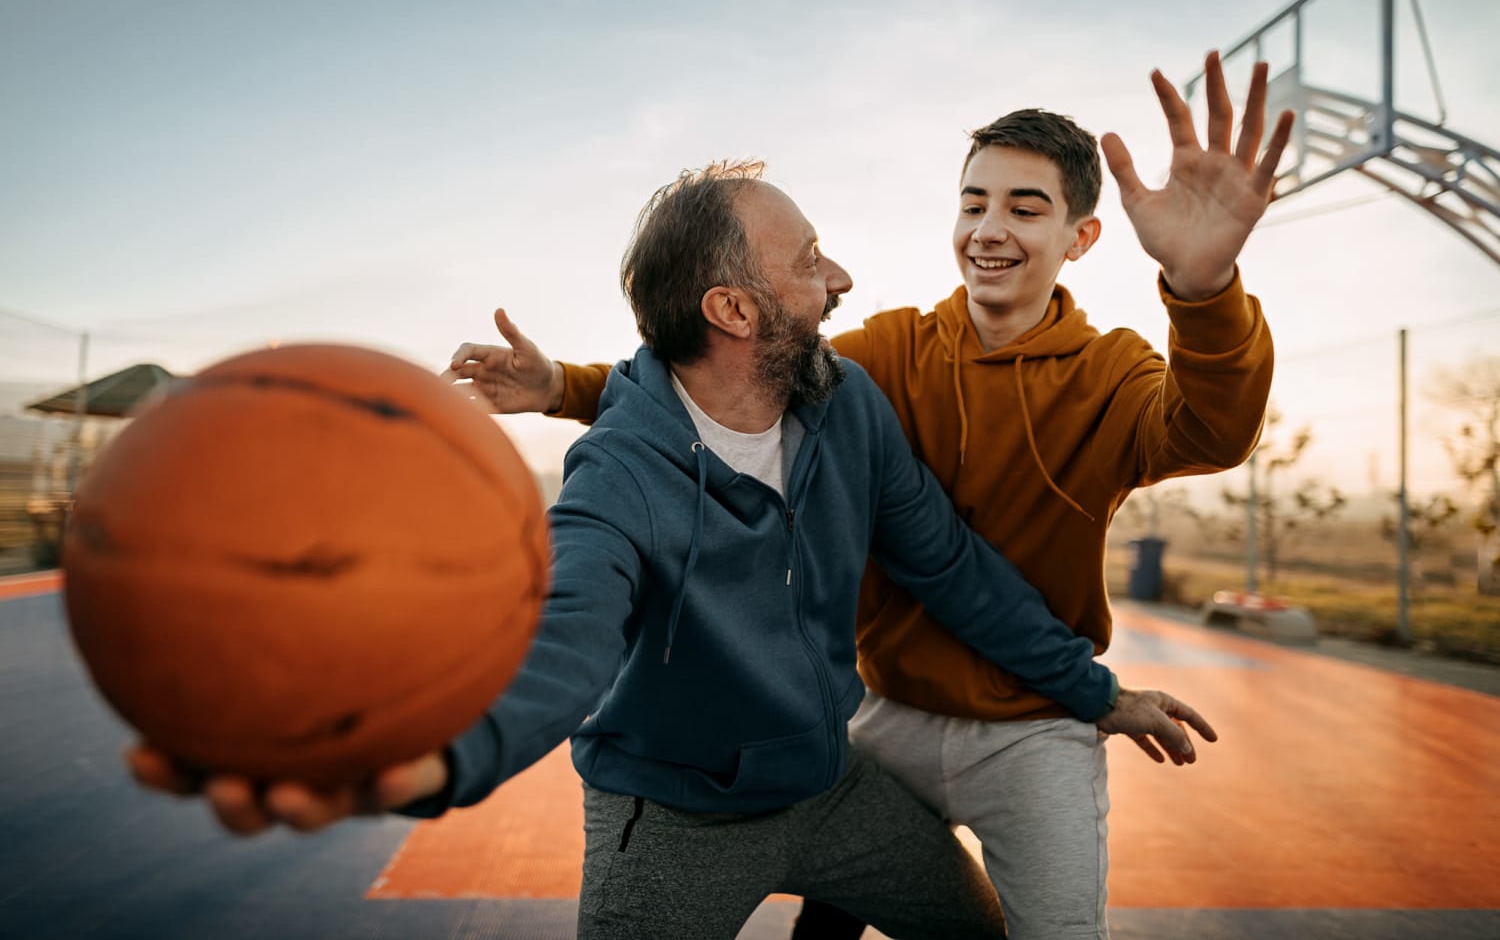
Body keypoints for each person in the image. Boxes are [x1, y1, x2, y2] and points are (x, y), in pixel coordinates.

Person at [130, 159, 1215, 940]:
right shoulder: (623, 474)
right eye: (808, 261)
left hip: (830, 780)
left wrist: (1093, 689)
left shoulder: (845, 405)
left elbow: (946, 564)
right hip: (677, 816)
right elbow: (562, 638)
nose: (839, 276)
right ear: (735, 307)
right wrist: (444, 754)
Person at [448, 51, 1291, 939]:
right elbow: (707, 396)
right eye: (973, 203)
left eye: (1024, 207)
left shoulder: (1019, 379)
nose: (987, 229)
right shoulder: (853, 371)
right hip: (797, 756)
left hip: (942, 746)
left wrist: (1204, 292)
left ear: (1080, 238)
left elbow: (1187, 443)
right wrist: (564, 391)